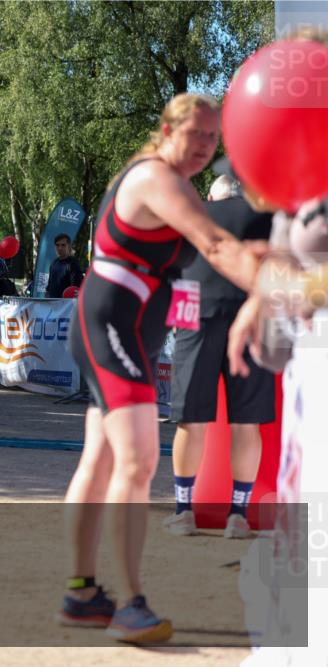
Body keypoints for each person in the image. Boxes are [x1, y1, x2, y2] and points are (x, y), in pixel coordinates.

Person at [60, 93, 258, 643]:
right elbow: (217, 245)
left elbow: (213, 253)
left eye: (212, 139)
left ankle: (81, 594)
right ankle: (130, 605)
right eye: (194, 134)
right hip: (112, 332)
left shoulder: (176, 187)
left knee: (100, 463)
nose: (203, 146)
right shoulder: (154, 177)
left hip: (123, 335)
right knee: (139, 461)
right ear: (166, 130)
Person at [163, 174, 275, 540]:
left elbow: (177, 273)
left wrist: (180, 330)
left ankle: (184, 513)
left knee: (190, 420)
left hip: (197, 318)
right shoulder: (265, 215)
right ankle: (238, 517)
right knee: (247, 423)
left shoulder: (194, 214)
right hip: (252, 320)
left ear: (212, 194)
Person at [46, 234, 85, 298]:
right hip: (52, 305)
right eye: (57, 245)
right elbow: (49, 286)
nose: (60, 248)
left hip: (67, 305)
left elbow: (76, 289)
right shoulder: (53, 264)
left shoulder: (73, 264)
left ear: (69, 246)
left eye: (63, 245)